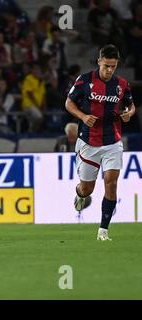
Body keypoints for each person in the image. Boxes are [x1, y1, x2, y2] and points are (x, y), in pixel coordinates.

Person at [65, 44, 135, 241]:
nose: (110, 70)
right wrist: (83, 116)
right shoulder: (85, 80)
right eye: (106, 66)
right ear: (99, 62)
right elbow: (68, 102)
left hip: (112, 141)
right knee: (88, 189)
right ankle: (79, 195)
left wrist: (128, 114)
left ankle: (103, 231)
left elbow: (131, 106)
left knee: (111, 183)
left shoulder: (122, 84)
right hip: (89, 141)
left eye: (113, 66)